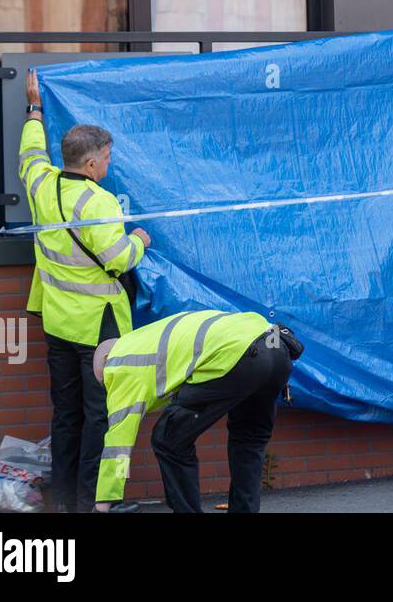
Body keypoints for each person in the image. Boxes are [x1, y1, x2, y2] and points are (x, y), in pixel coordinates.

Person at [19, 68, 149, 513]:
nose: (109, 166)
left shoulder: (41, 184)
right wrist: (140, 242)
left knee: (66, 413)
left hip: (57, 321)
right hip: (99, 327)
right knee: (101, 415)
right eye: (108, 159)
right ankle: (94, 503)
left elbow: (30, 153)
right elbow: (118, 259)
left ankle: (64, 505)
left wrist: (34, 106)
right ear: (91, 164)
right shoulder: (101, 202)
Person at [91, 310, 297, 513]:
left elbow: (118, 443)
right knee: (248, 440)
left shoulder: (120, 364)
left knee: (169, 439)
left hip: (238, 354)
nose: (109, 391)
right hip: (276, 345)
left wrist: (105, 501)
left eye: (104, 384)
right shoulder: (146, 339)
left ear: (107, 359)